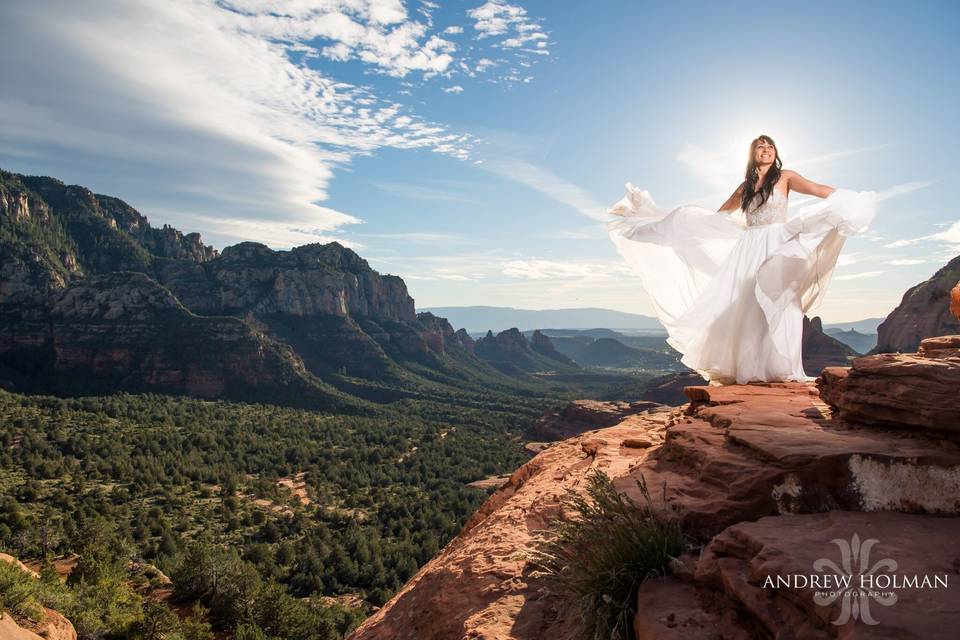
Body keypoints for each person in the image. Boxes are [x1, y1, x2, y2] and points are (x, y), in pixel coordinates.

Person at [607, 135, 876, 385]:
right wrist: (672, 220)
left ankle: (783, 367)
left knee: (782, 300)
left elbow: (817, 189)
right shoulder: (744, 187)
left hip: (777, 242)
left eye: (770, 146)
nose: (767, 150)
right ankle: (750, 369)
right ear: (752, 154)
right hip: (749, 247)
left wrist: (846, 198)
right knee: (747, 305)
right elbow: (717, 217)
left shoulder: (785, 177)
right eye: (761, 146)